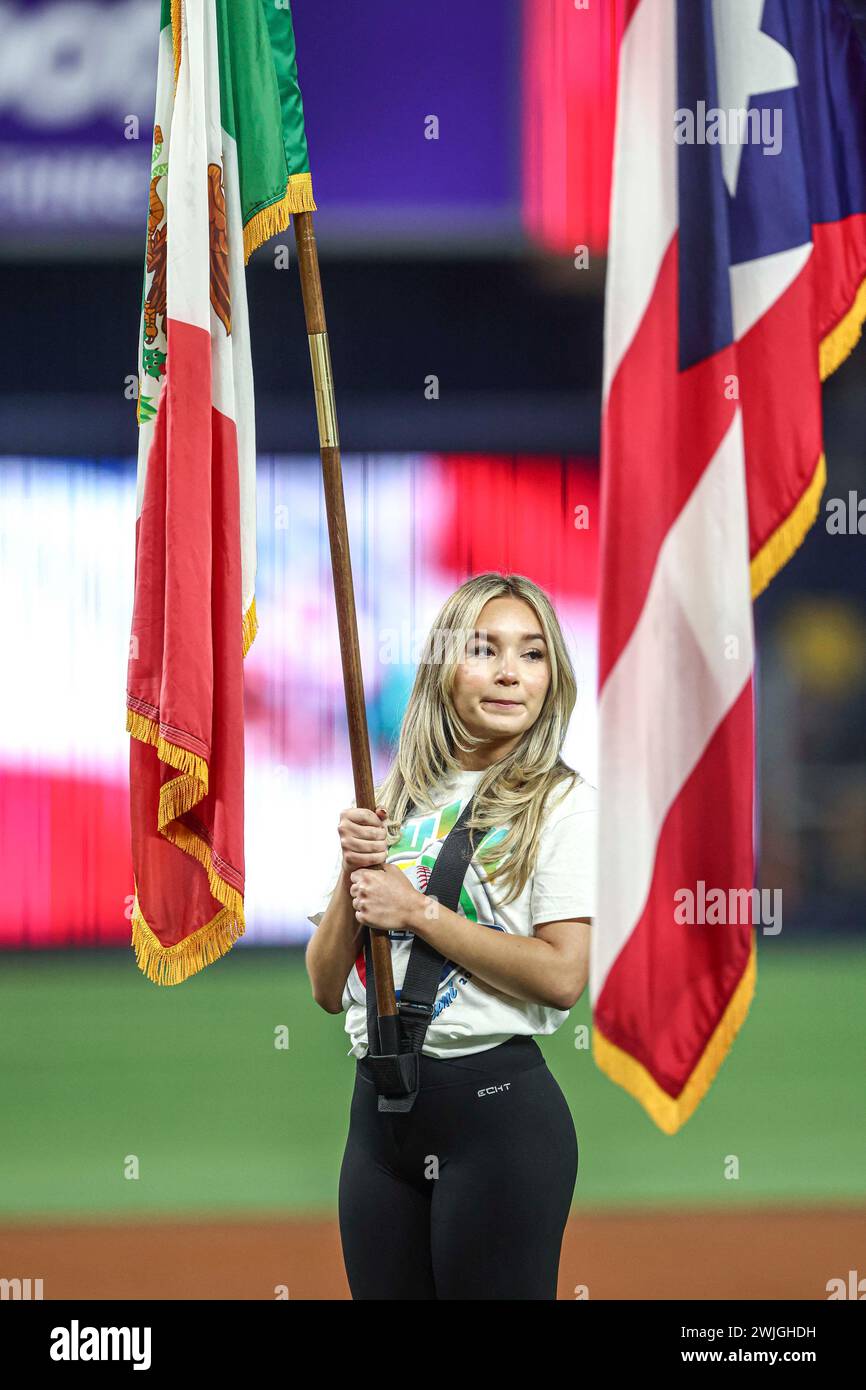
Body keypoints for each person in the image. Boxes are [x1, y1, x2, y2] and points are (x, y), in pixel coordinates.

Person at [305, 571, 597, 1300]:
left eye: (532, 655)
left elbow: (564, 976)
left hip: (497, 1122)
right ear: (443, 669)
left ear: (552, 676)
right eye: (484, 649)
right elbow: (322, 986)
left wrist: (422, 913)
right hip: (377, 1123)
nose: (509, 673)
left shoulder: (563, 805)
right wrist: (354, 871)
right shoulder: (395, 795)